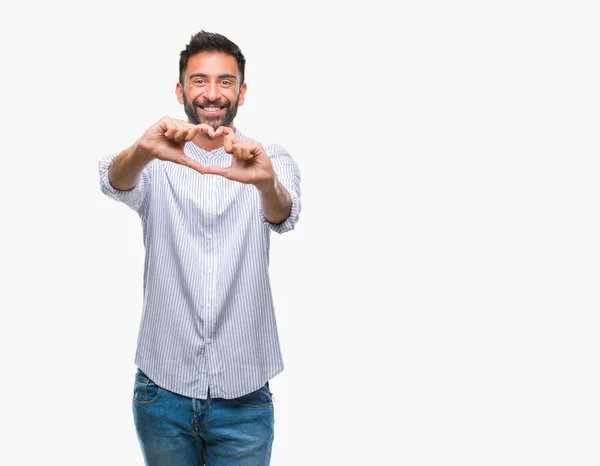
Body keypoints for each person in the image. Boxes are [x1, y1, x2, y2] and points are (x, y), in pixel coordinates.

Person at [98, 30, 301, 465]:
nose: (212, 94)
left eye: (225, 82)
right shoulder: (153, 163)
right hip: (162, 393)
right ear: (180, 90)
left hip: (244, 397)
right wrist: (141, 149)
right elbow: (113, 181)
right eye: (199, 81)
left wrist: (265, 183)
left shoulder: (271, 159)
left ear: (242, 92)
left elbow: (284, 214)